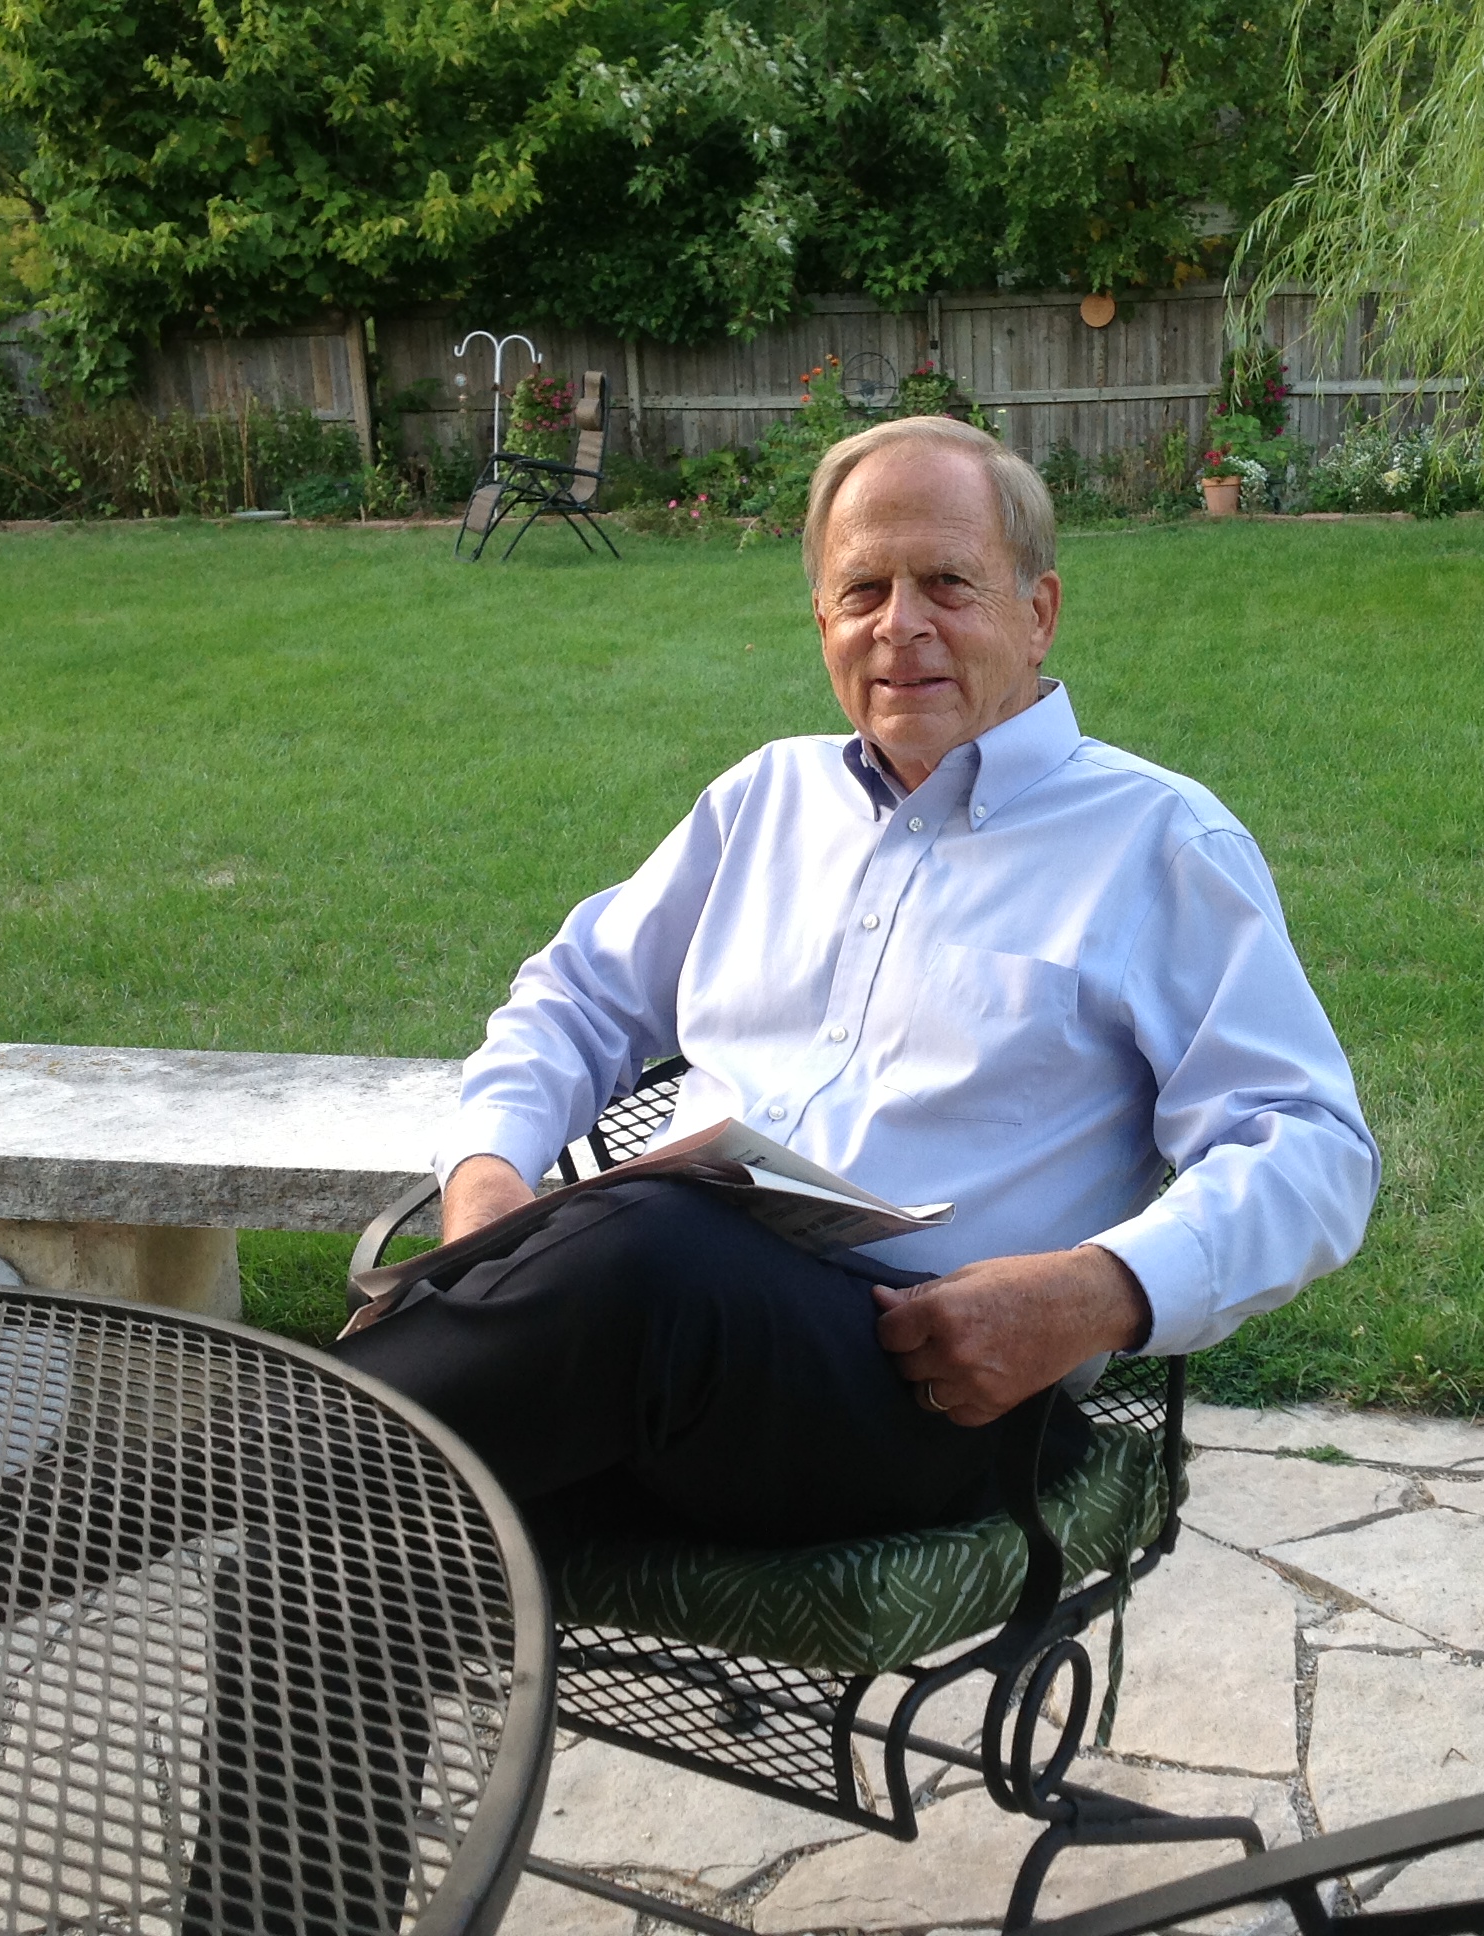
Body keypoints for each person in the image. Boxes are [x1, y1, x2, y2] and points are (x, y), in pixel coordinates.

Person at [330, 412, 1378, 1549]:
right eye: (864, 589)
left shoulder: (1156, 842)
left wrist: (1095, 1292)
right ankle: (281, 1571)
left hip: (929, 1391)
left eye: (947, 583)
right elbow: (576, 996)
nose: (901, 626)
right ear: (823, 621)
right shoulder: (762, 802)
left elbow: (1312, 1147)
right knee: (354, 1537)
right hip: (654, 1352)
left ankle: (177, 1482)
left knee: (648, 1249)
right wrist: (487, 1177)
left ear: (1039, 614)